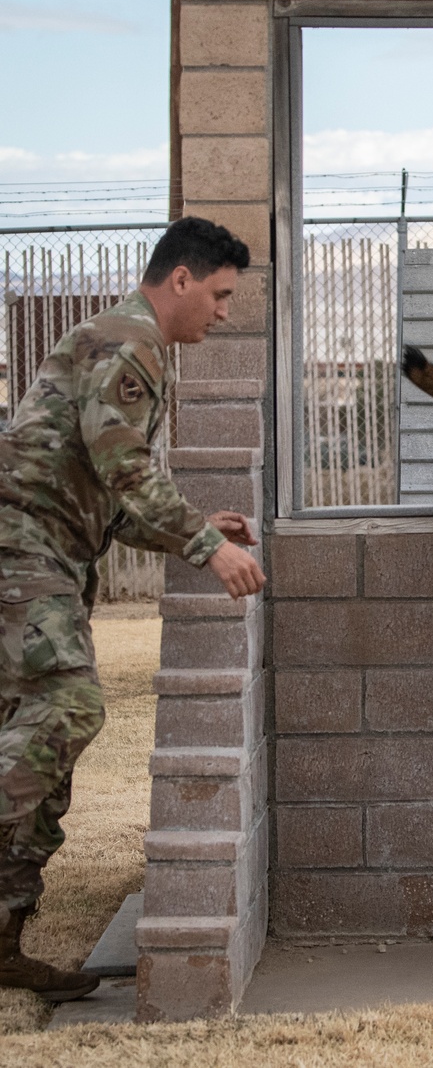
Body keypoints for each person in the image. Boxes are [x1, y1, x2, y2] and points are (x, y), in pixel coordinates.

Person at [0, 216, 266, 1002]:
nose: (223, 313)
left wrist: (192, 523)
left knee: (44, 773)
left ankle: (3, 939)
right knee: (71, 705)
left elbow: (106, 493)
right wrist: (205, 547)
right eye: (218, 295)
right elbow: (122, 467)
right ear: (179, 279)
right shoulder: (129, 341)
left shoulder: (131, 344)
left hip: (48, 552)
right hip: (21, 551)